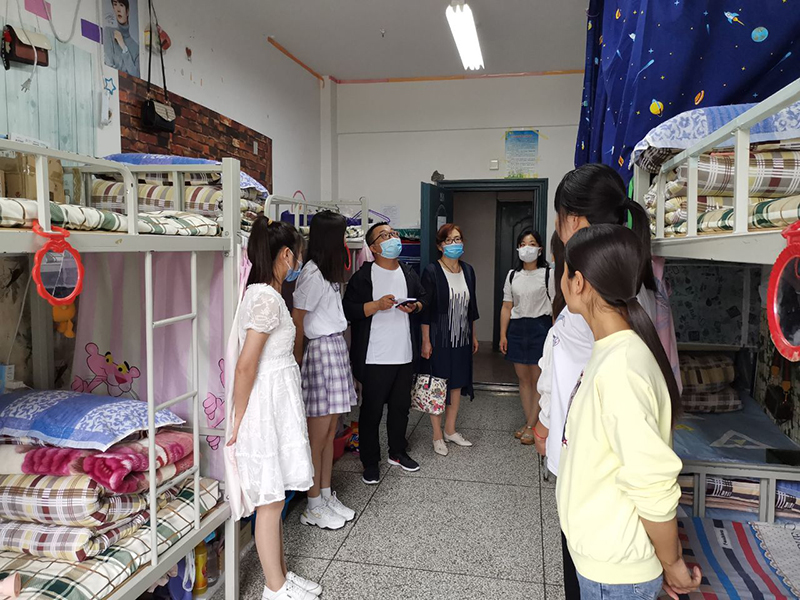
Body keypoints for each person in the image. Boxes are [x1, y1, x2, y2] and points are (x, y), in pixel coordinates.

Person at [533, 163, 681, 600]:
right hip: (596, 510)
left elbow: (647, 476)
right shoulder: (619, 320)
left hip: (607, 533)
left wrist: (669, 562)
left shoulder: (613, 352)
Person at [557, 224, 702, 600]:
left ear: (579, 282)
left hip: (615, 572)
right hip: (608, 559)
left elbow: (651, 482)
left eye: (564, 272)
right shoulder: (613, 349)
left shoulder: (621, 366)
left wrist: (672, 563)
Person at [227, 216, 320, 600]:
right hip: (265, 406)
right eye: (297, 254)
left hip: (277, 401)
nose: (298, 261)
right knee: (270, 500)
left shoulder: (267, 294)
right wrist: (239, 418)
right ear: (285, 255)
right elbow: (246, 365)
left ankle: (280, 574)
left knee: (276, 496)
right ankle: (274, 588)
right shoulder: (265, 297)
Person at [342, 222, 427, 484]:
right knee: (372, 411)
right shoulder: (364, 277)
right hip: (375, 356)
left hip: (404, 353)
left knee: (400, 408)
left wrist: (415, 307)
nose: (393, 238)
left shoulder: (408, 272)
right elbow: (349, 310)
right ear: (374, 247)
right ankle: (370, 461)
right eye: (385, 235)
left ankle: (397, 452)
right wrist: (376, 305)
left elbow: (423, 299)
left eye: (394, 233)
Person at [292, 211, 358, 531]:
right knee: (317, 436)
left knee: (331, 431)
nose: (345, 240)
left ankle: (327, 495)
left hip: (334, 349)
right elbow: (298, 320)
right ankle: (313, 504)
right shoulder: (312, 274)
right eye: (342, 235)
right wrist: (296, 361)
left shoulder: (328, 274)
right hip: (320, 352)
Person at [420, 224, 480, 456]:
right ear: (440, 246)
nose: (454, 244)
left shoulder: (468, 271)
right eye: (449, 240)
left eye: (458, 239)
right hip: (440, 338)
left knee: (456, 383)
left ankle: (450, 430)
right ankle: (437, 435)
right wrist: (426, 340)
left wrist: (473, 335)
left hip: (462, 338)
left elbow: (471, 308)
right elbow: (425, 311)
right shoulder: (432, 271)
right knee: (438, 385)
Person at [499, 229, 553, 445]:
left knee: (538, 379)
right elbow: (506, 306)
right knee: (523, 379)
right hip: (517, 328)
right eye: (522, 244)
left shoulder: (548, 274)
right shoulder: (513, 275)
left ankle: (532, 425)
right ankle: (529, 421)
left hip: (541, 327)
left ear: (540, 249)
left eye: (531, 243)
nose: (526, 248)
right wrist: (503, 334)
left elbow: (556, 306)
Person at [104, 0, 140, 77]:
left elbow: (135, 75)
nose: (118, 9)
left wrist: (123, 47)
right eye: (115, 4)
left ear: (127, 11)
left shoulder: (136, 48)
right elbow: (108, 64)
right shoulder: (108, 32)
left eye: (121, 5)